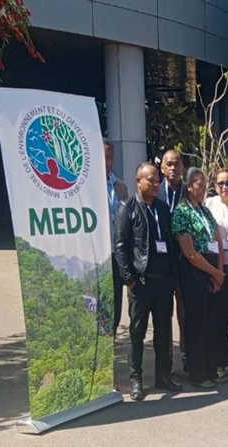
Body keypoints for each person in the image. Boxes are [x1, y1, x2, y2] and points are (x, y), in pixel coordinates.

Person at [114, 163, 182, 400]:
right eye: (150, 180)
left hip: (163, 282)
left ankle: (163, 376)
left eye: (157, 181)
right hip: (141, 283)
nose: (156, 184)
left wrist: (173, 275)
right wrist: (129, 279)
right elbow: (120, 246)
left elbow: (171, 244)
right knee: (137, 333)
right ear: (138, 181)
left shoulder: (163, 209)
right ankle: (136, 381)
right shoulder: (128, 208)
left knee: (163, 331)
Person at [172, 167, 225, 388]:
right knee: (196, 324)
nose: (203, 188)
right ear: (189, 186)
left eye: (205, 184)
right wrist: (215, 273)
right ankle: (197, 373)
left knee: (211, 324)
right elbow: (190, 253)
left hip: (213, 272)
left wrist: (220, 272)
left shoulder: (205, 211)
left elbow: (218, 240)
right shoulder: (181, 213)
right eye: (199, 184)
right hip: (194, 274)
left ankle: (210, 369)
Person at [205, 168, 228, 382]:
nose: (224, 187)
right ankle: (221, 363)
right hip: (217, 268)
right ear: (215, 185)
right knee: (219, 318)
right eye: (220, 183)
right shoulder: (210, 205)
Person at [158, 149, 188, 365]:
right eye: (169, 164)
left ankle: (187, 355)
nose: (173, 168)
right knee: (163, 315)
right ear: (162, 167)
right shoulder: (154, 191)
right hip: (161, 264)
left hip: (185, 261)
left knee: (185, 313)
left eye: (176, 164)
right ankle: (165, 363)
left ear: (182, 168)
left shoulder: (188, 192)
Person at [105, 139, 128, 332]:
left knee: (116, 305)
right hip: (99, 256)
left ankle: (110, 339)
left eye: (110, 158)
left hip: (117, 255)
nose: (107, 162)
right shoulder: (88, 187)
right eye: (104, 157)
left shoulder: (120, 186)